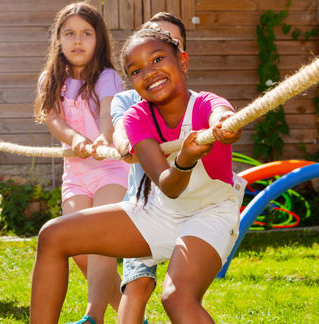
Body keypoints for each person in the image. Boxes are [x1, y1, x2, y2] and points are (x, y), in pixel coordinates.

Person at [30, 28, 246, 324]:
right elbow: (169, 186)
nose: (149, 72)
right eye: (136, 70)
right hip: (161, 208)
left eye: (158, 59)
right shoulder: (137, 117)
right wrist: (184, 159)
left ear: (182, 61)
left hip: (211, 213)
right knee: (52, 235)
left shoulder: (207, 103)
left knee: (177, 297)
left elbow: (222, 118)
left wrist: (224, 124)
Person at [34, 2, 130, 323]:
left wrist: (104, 137)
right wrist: (75, 139)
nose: (78, 41)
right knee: (79, 250)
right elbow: (53, 120)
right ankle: (134, 316)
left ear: (98, 39)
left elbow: (108, 112)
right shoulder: (51, 79)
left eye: (86, 34)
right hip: (75, 176)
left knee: (100, 244)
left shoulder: (107, 77)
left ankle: (93, 317)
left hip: (110, 171)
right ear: (58, 39)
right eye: (70, 33)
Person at [111, 12, 187, 323]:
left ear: (180, 56)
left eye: (169, 42)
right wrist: (125, 143)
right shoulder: (128, 99)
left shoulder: (192, 100)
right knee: (138, 284)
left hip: (189, 205)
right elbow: (119, 131)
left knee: (181, 292)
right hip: (145, 204)